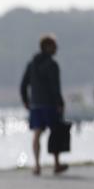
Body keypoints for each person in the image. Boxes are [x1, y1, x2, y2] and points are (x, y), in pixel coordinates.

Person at [20, 33, 67, 175]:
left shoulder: (31, 64)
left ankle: (37, 165)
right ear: (47, 47)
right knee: (55, 133)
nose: (56, 49)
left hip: (35, 104)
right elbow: (55, 87)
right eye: (54, 46)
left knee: (37, 134)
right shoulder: (52, 65)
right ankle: (56, 163)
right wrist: (60, 102)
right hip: (50, 105)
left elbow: (23, 85)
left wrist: (26, 101)